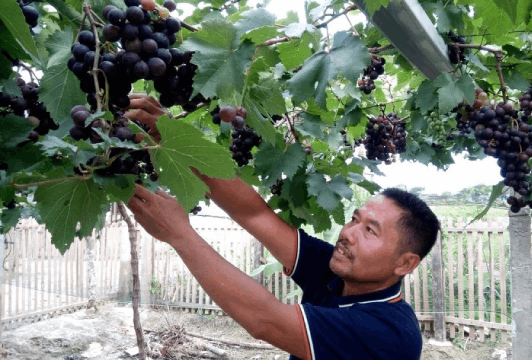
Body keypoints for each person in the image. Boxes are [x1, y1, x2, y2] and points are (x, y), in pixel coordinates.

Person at [125, 95, 441, 360]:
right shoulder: (338, 272)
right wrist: (180, 140)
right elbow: (254, 214)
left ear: (405, 262)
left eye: (370, 231)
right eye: (354, 220)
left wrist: (180, 235)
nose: (347, 233)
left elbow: (265, 321)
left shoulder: (390, 333)